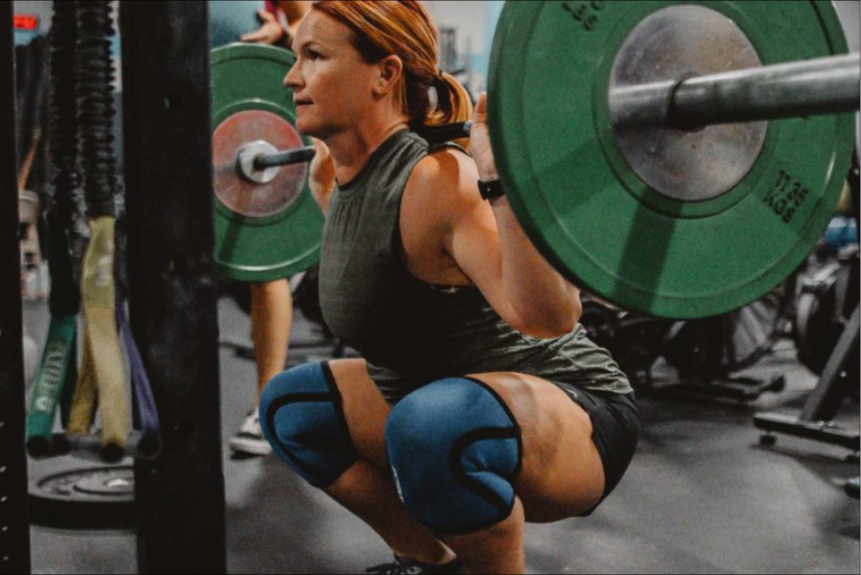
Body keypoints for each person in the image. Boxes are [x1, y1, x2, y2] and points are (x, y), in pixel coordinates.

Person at [257, 2, 641, 574]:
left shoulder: (441, 180)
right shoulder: (335, 178)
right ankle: (426, 560)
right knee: (293, 408)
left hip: (571, 410)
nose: (292, 77)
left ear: (384, 75)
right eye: (295, 58)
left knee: (430, 428)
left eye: (314, 56)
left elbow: (552, 317)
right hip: (443, 401)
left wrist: (498, 180)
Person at [213, 0, 316, 458]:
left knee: (264, 267)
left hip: (252, 126)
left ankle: (267, 406)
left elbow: (309, 26)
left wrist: (286, 34)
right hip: (192, 120)